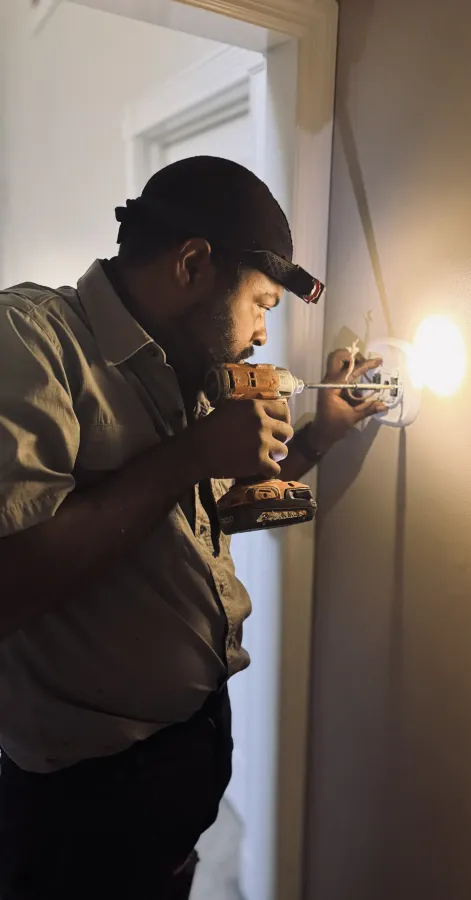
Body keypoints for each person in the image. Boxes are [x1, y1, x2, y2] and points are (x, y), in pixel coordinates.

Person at [0, 156, 385, 899]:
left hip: (185, 752)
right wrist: (192, 454)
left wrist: (318, 438)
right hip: (80, 802)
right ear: (193, 263)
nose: (264, 334)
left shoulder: (191, 367)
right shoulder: (30, 340)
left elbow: (209, 512)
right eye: (262, 303)